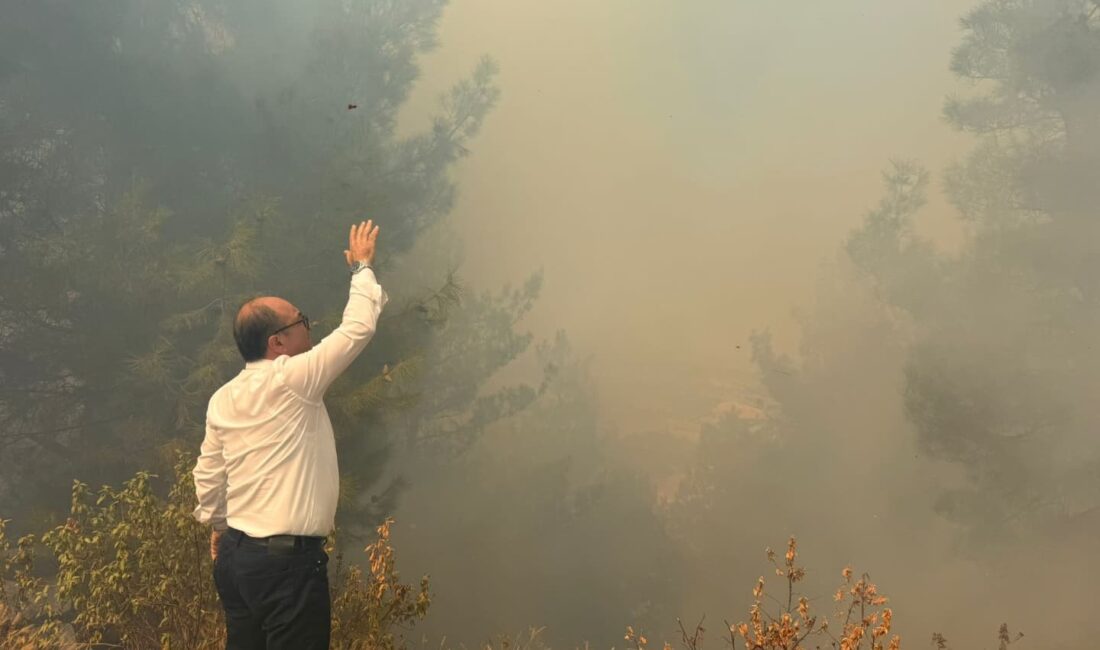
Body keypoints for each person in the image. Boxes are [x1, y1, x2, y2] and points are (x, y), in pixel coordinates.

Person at [192, 221, 386, 649]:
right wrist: (362, 269)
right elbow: (357, 329)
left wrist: (220, 529)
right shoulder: (294, 380)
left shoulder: (223, 398)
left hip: (237, 561)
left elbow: (209, 475)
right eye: (303, 321)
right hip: (286, 568)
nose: (310, 328)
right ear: (278, 342)